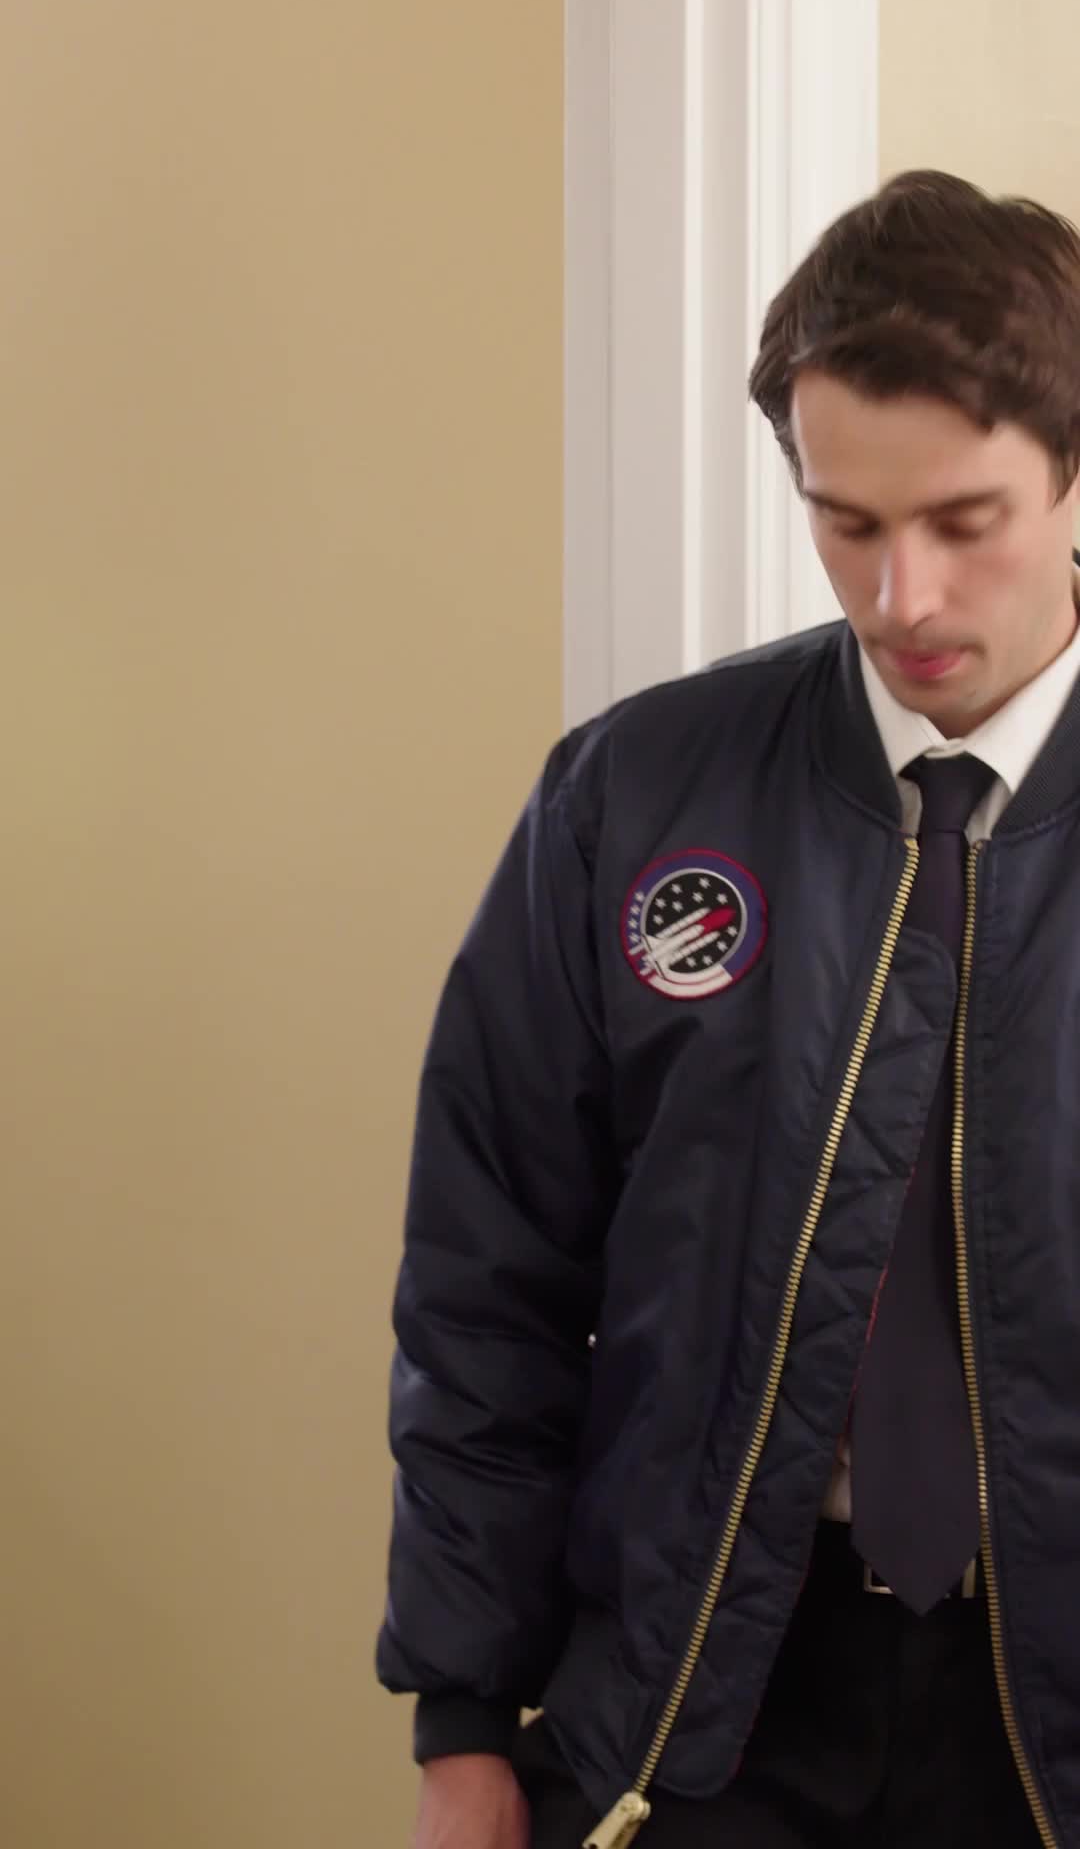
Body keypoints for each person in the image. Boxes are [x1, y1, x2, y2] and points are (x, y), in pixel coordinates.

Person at [376, 170, 1080, 1849]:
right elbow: (489, 1281)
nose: (904, 598)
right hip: (703, 1711)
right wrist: (463, 1717)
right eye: (850, 524)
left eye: (964, 522)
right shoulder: (637, 795)